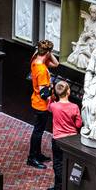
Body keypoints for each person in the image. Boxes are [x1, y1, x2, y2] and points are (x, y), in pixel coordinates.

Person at [46, 78, 81, 190]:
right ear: (68, 92)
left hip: (58, 139)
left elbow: (48, 106)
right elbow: (78, 125)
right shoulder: (75, 107)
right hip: (72, 139)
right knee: (74, 163)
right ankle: (74, 187)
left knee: (58, 164)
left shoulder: (54, 107)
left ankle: (59, 188)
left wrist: (51, 97)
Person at [27, 38, 58, 168]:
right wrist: (52, 88)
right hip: (41, 105)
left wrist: (48, 53)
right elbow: (44, 93)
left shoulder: (36, 60)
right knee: (38, 131)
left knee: (38, 130)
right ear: (47, 52)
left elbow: (56, 64)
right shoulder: (41, 69)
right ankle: (32, 158)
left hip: (37, 102)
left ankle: (37, 154)